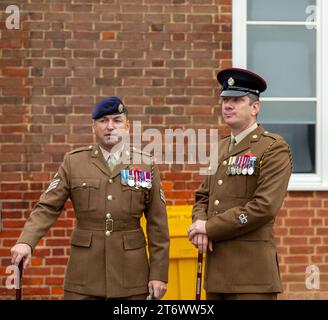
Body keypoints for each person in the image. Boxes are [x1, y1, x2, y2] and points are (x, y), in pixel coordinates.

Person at [10, 96, 170, 300]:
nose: (110, 126)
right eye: (103, 121)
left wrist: (159, 274)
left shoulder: (146, 164)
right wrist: (26, 241)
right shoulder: (74, 162)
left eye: (117, 120)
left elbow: (158, 225)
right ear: (93, 126)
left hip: (132, 277)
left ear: (127, 126)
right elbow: (47, 207)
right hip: (84, 277)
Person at [188, 68, 292, 300]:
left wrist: (209, 228)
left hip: (251, 276)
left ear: (255, 107)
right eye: (225, 99)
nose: (228, 105)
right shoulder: (221, 147)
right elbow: (203, 196)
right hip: (216, 273)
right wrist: (199, 222)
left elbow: (264, 207)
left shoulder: (273, 148)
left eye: (237, 100)